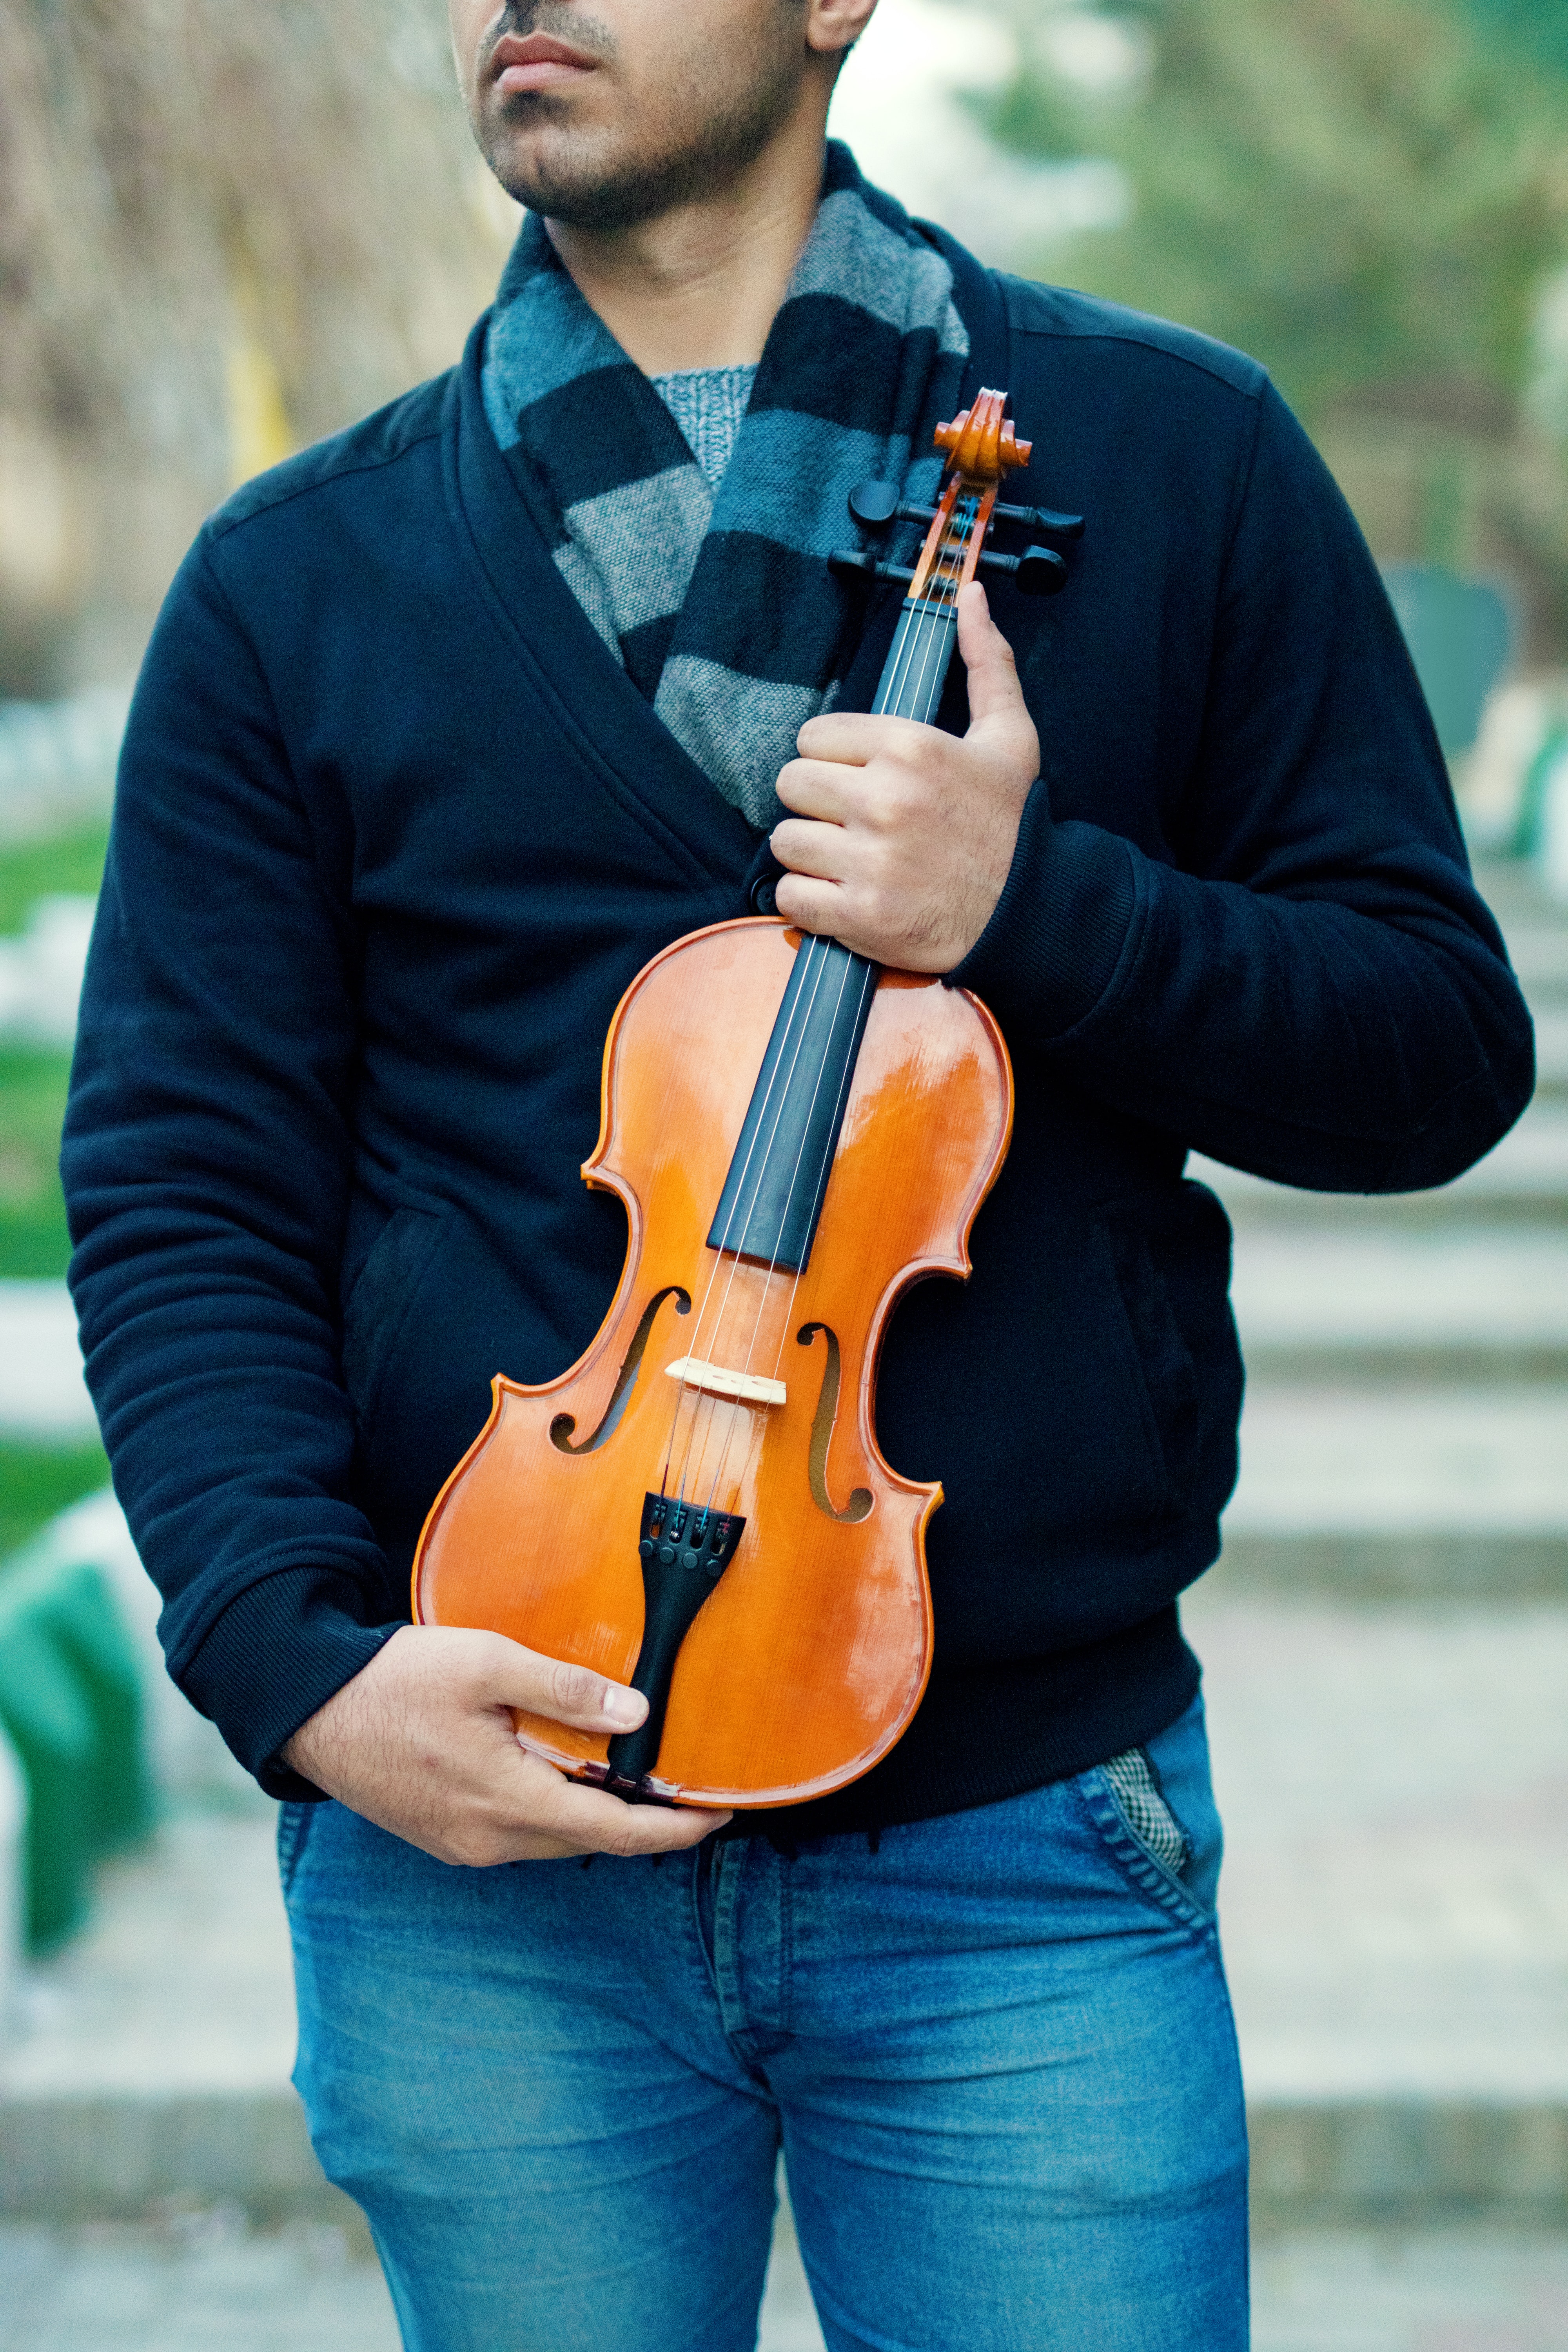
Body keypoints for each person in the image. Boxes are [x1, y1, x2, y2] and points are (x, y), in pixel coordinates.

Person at [63, 2, 1533, 2346]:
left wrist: (1041, 912)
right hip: (478, 1866)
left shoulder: (1172, 457)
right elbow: (180, 1183)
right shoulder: (296, 576)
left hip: (1021, 1850)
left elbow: (1436, 1048)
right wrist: (291, 1669)